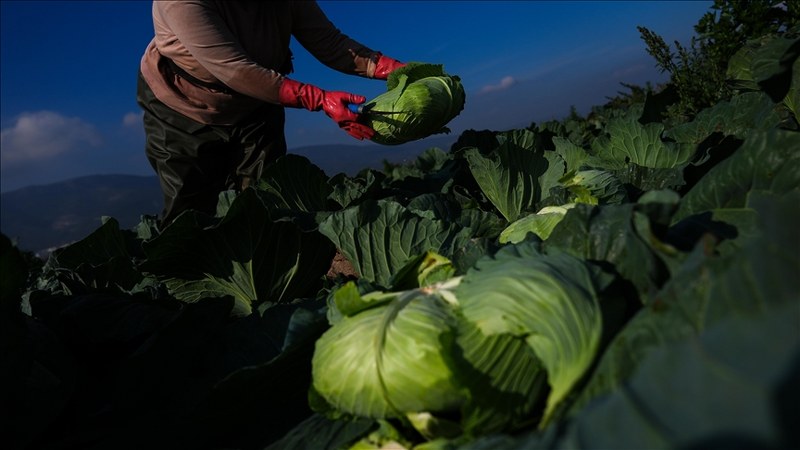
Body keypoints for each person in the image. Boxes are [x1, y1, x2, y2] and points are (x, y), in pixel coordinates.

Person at [136, 1, 406, 225]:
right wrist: (320, 99)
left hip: (260, 100)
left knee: (265, 196)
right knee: (190, 206)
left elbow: (330, 42)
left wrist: (397, 69)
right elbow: (234, 70)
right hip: (183, 106)